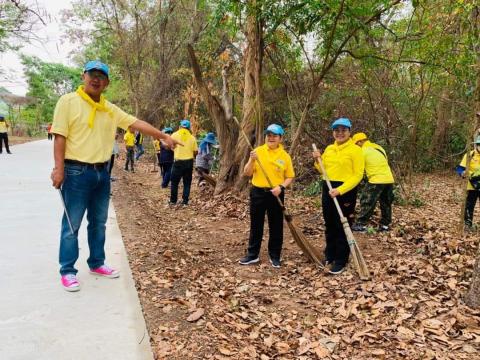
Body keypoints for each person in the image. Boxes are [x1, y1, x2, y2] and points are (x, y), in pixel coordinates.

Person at [50, 60, 180, 292]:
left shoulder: (110, 108)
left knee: (98, 223)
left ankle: (97, 262)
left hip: (102, 172)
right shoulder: (68, 102)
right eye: (92, 74)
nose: (96, 79)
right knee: (72, 224)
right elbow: (60, 136)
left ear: (107, 83)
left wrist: (163, 136)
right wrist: (58, 168)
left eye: (101, 76)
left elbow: (135, 122)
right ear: (84, 76)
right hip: (76, 171)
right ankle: (68, 270)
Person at [312, 118, 364, 275]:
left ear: (349, 132)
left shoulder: (355, 150)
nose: (340, 133)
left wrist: (340, 190)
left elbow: (358, 175)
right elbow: (323, 172)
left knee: (342, 225)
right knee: (330, 222)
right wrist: (317, 160)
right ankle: (330, 254)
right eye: (337, 130)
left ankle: (341, 259)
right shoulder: (329, 149)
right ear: (333, 132)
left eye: (343, 130)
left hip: (345, 191)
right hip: (328, 187)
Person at [239, 124, 295, 268]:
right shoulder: (257, 151)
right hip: (258, 192)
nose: (270, 138)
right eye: (268, 135)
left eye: (274, 135)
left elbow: (289, 177)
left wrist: (281, 187)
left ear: (280, 138)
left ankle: (275, 255)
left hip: (276, 193)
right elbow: (247, 173)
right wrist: (252, 160)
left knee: (276, 225)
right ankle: (252, 255)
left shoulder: (285, 156)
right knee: (256, 224)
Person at [350, 132, 395, 232]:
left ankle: (361, 224)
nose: (356, 146)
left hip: (376, 180)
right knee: (386, 202)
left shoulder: (362, 151)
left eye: (356, 144)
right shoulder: (379, 148)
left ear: (360, 142)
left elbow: (359, 169)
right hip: (389, 179)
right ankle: (385, 225)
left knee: (367, 201)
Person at [169, 120, 197, 205]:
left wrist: (175, 150)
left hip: (178, 162)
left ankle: (173, 201)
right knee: (187, 182)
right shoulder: (192, 138)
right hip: (189, 162)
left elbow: (171, 147)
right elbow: (196, 151)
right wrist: (192, 156)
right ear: (188, 128)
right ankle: (185, 201)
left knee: (174, 182)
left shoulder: (174, 135)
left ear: (180, 126)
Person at [456, 136, 480, 228]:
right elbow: (460, 168)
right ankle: (468, 224)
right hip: (471, 185)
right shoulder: (470, 155)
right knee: (469, 205)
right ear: (476, 146)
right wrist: (462, 173)